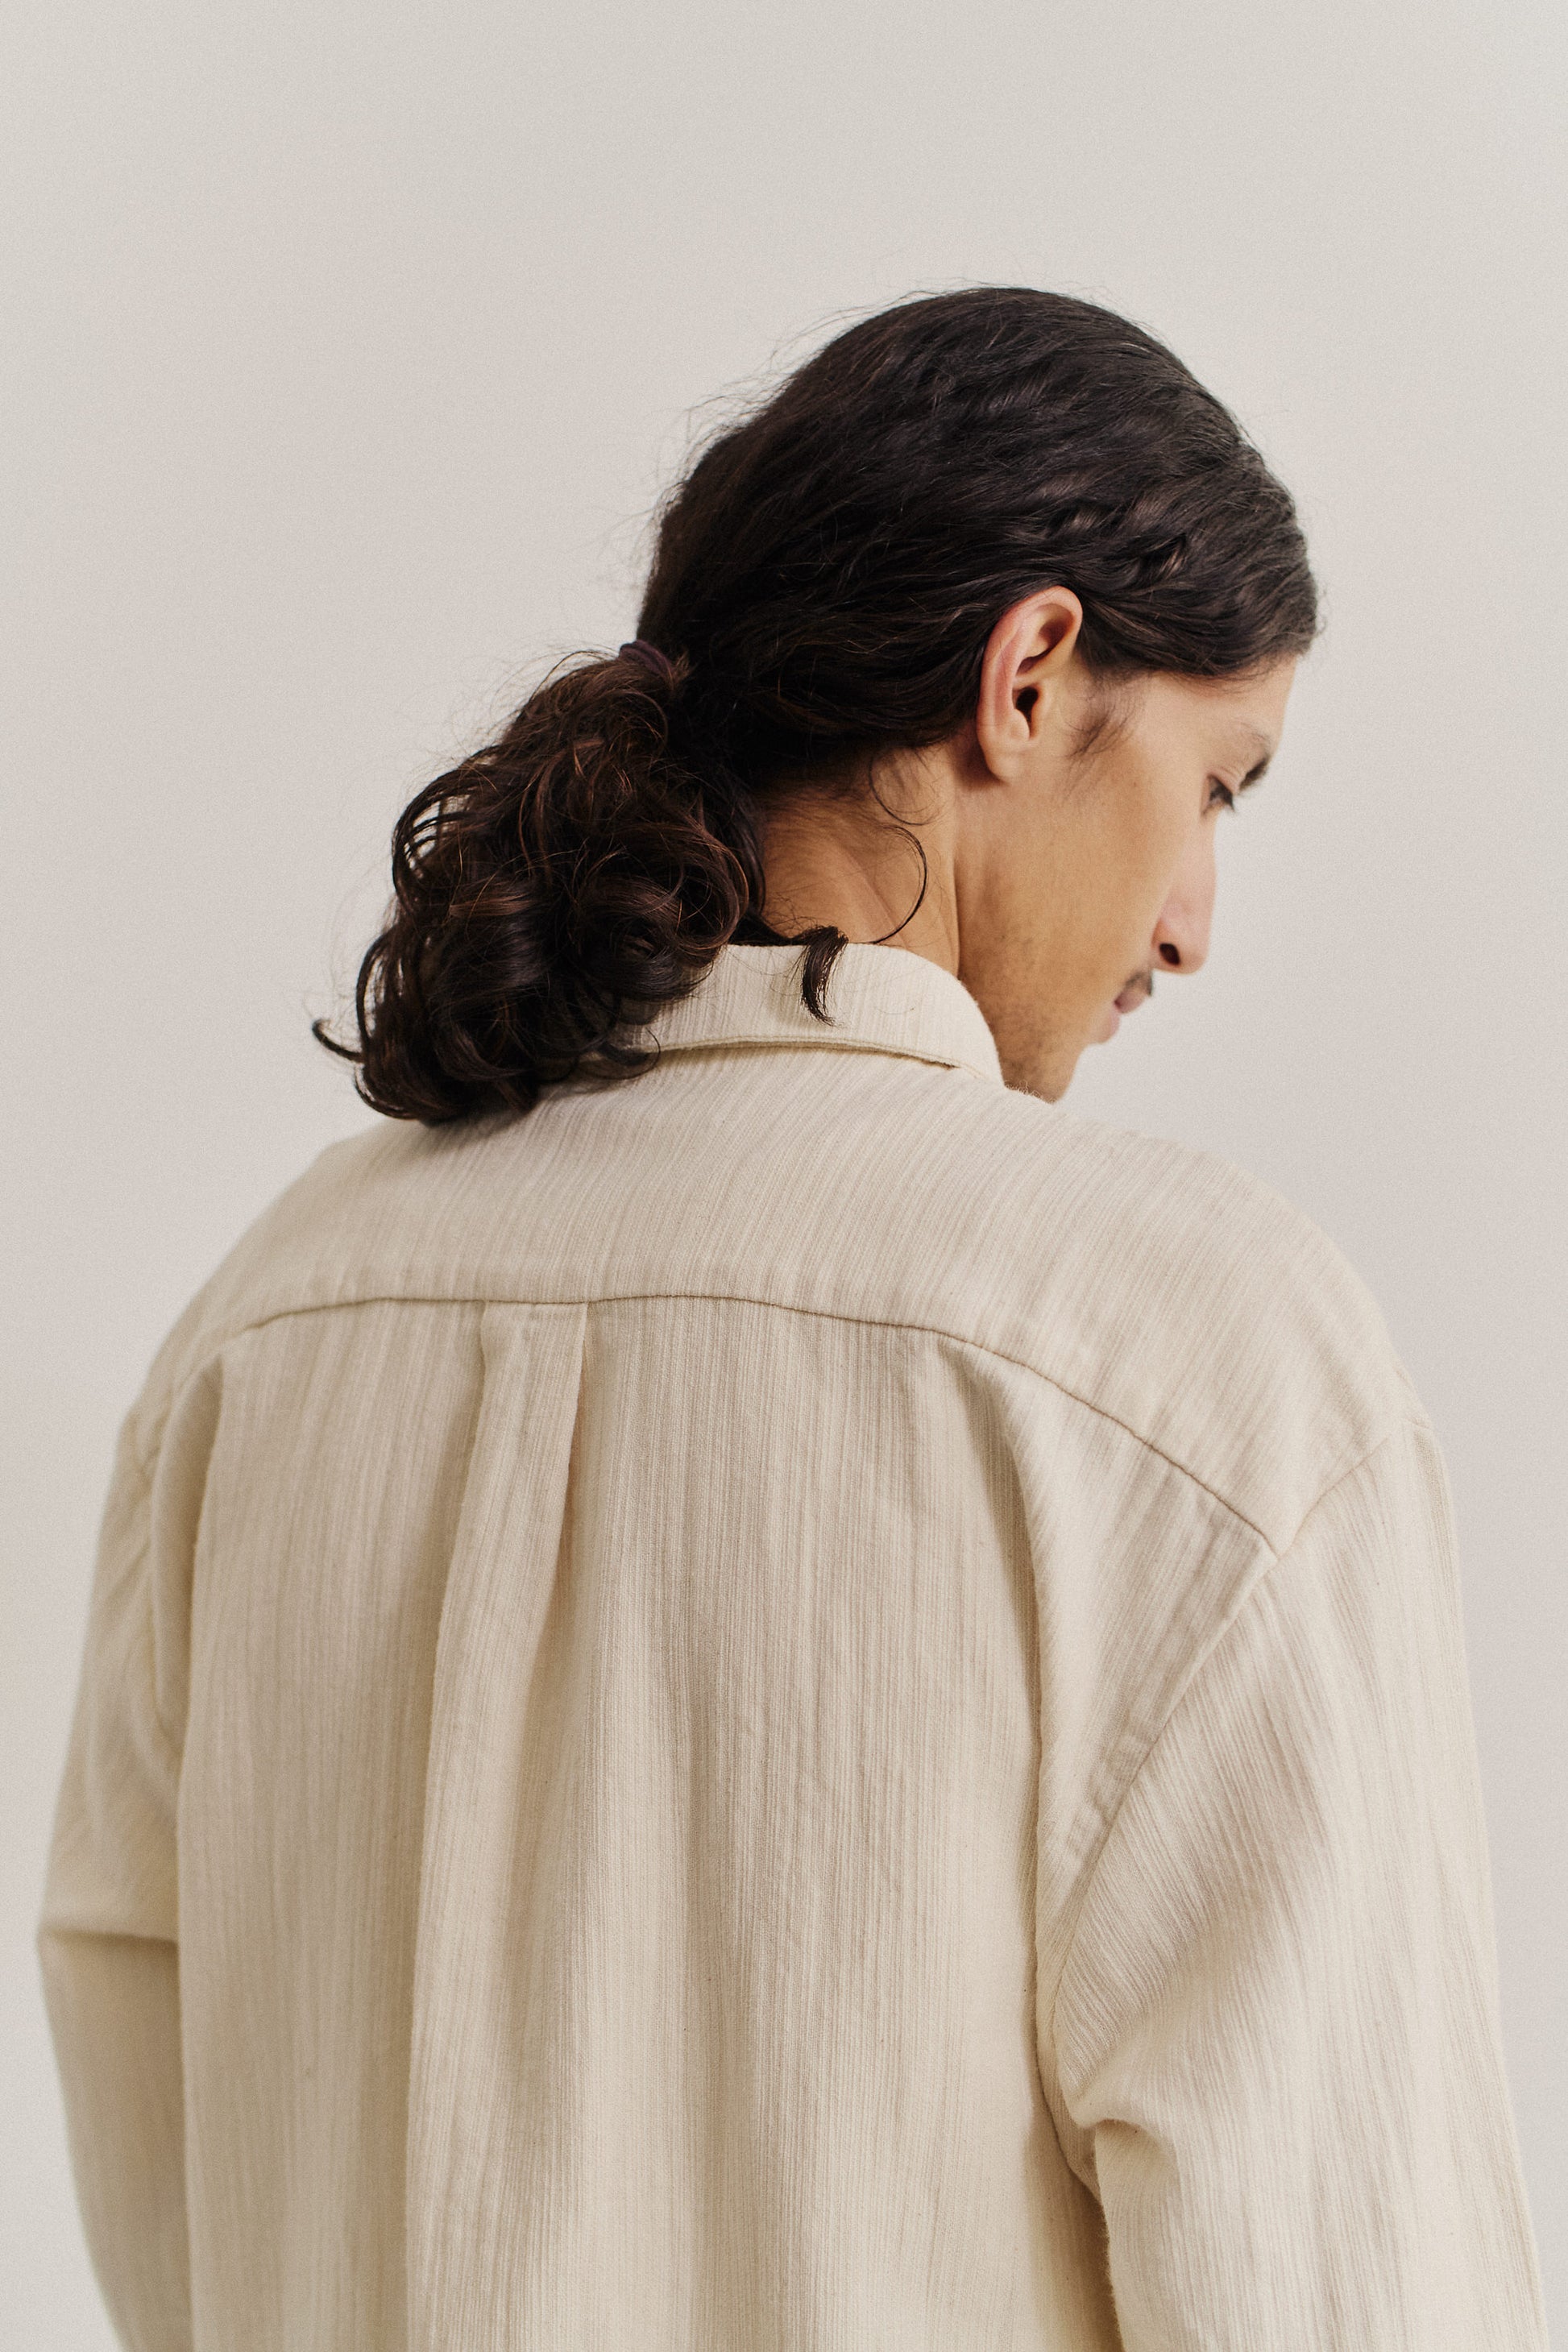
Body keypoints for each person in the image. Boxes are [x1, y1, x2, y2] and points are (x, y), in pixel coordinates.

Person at [39, 287, 1547, 2350]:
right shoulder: (1190, 1353)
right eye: (1219, 781)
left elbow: (165, 2146)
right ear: (1031, 675)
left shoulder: (268, 1325)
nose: (1194, 920)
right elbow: (1351, 2286)